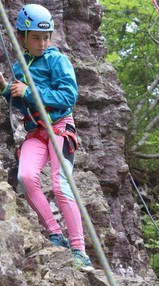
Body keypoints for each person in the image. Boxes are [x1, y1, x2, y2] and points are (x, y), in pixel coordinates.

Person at [0, 4, 93, 271]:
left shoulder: (57, 60)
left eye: (46, 37)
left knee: (61, 184)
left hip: (60, 127)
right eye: (36, 37)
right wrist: (8, 88)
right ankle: (54, 234)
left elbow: (68, 97)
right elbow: (21, 105)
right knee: (25, 177)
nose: (43, 43)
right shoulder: (19, 66)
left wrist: (28, 90)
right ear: (21, 37)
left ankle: (79, 251)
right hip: (36, 131)